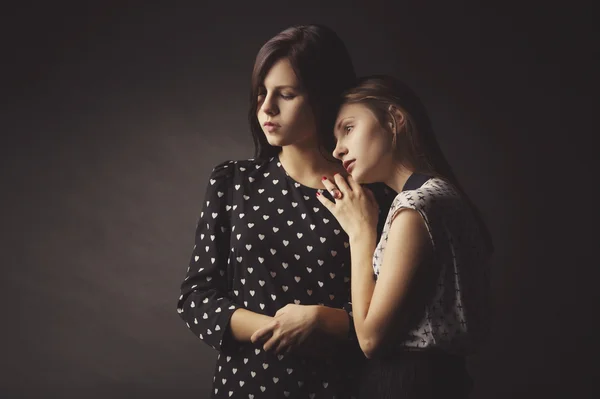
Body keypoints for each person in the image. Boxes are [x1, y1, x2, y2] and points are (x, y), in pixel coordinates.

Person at [176, 26, 395, 398]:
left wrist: (325, 321)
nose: (266, 108)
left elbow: (396, 317)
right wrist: (280, 328)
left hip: (342, 388)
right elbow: (197, 297)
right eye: (262, 93)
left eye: (286, 94)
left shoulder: (374, 197)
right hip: (246, 387)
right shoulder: (233, 181)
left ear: (323, 98)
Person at [316, 75, 494, 398]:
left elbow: (370, 339)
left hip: (406, 383)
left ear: (394, 120)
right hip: (442, 380)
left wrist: (360, 231)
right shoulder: (444, 194)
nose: (337, 148)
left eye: (348, 128)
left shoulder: (415, 206)